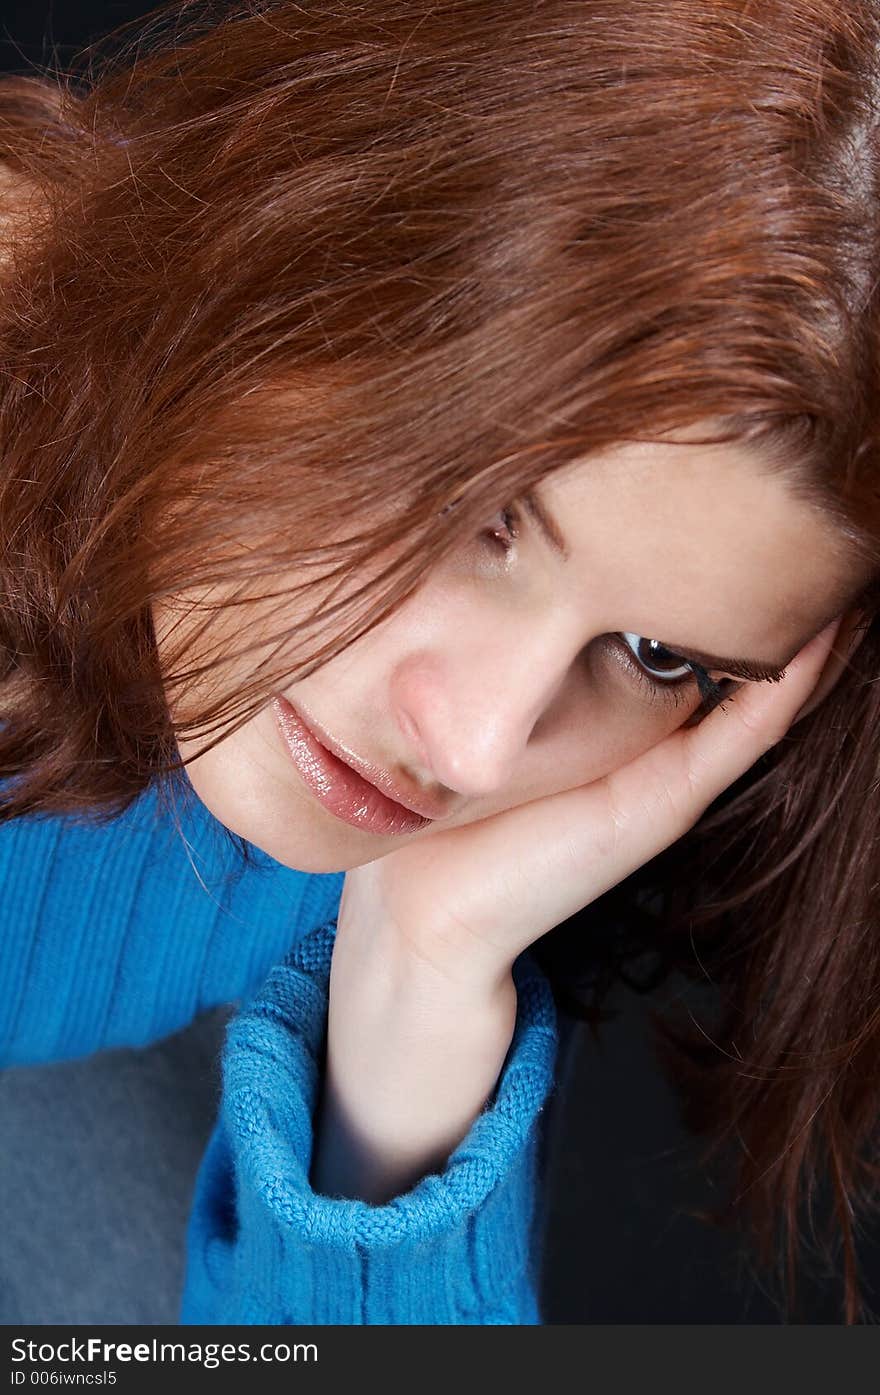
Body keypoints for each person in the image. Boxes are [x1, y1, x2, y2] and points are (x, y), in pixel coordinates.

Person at [1, 0, 879, 1325]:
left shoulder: (383, 826)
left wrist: (418, 987)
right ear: (302, 234)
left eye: (651, 655)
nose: (475, 747)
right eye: (480, 514)